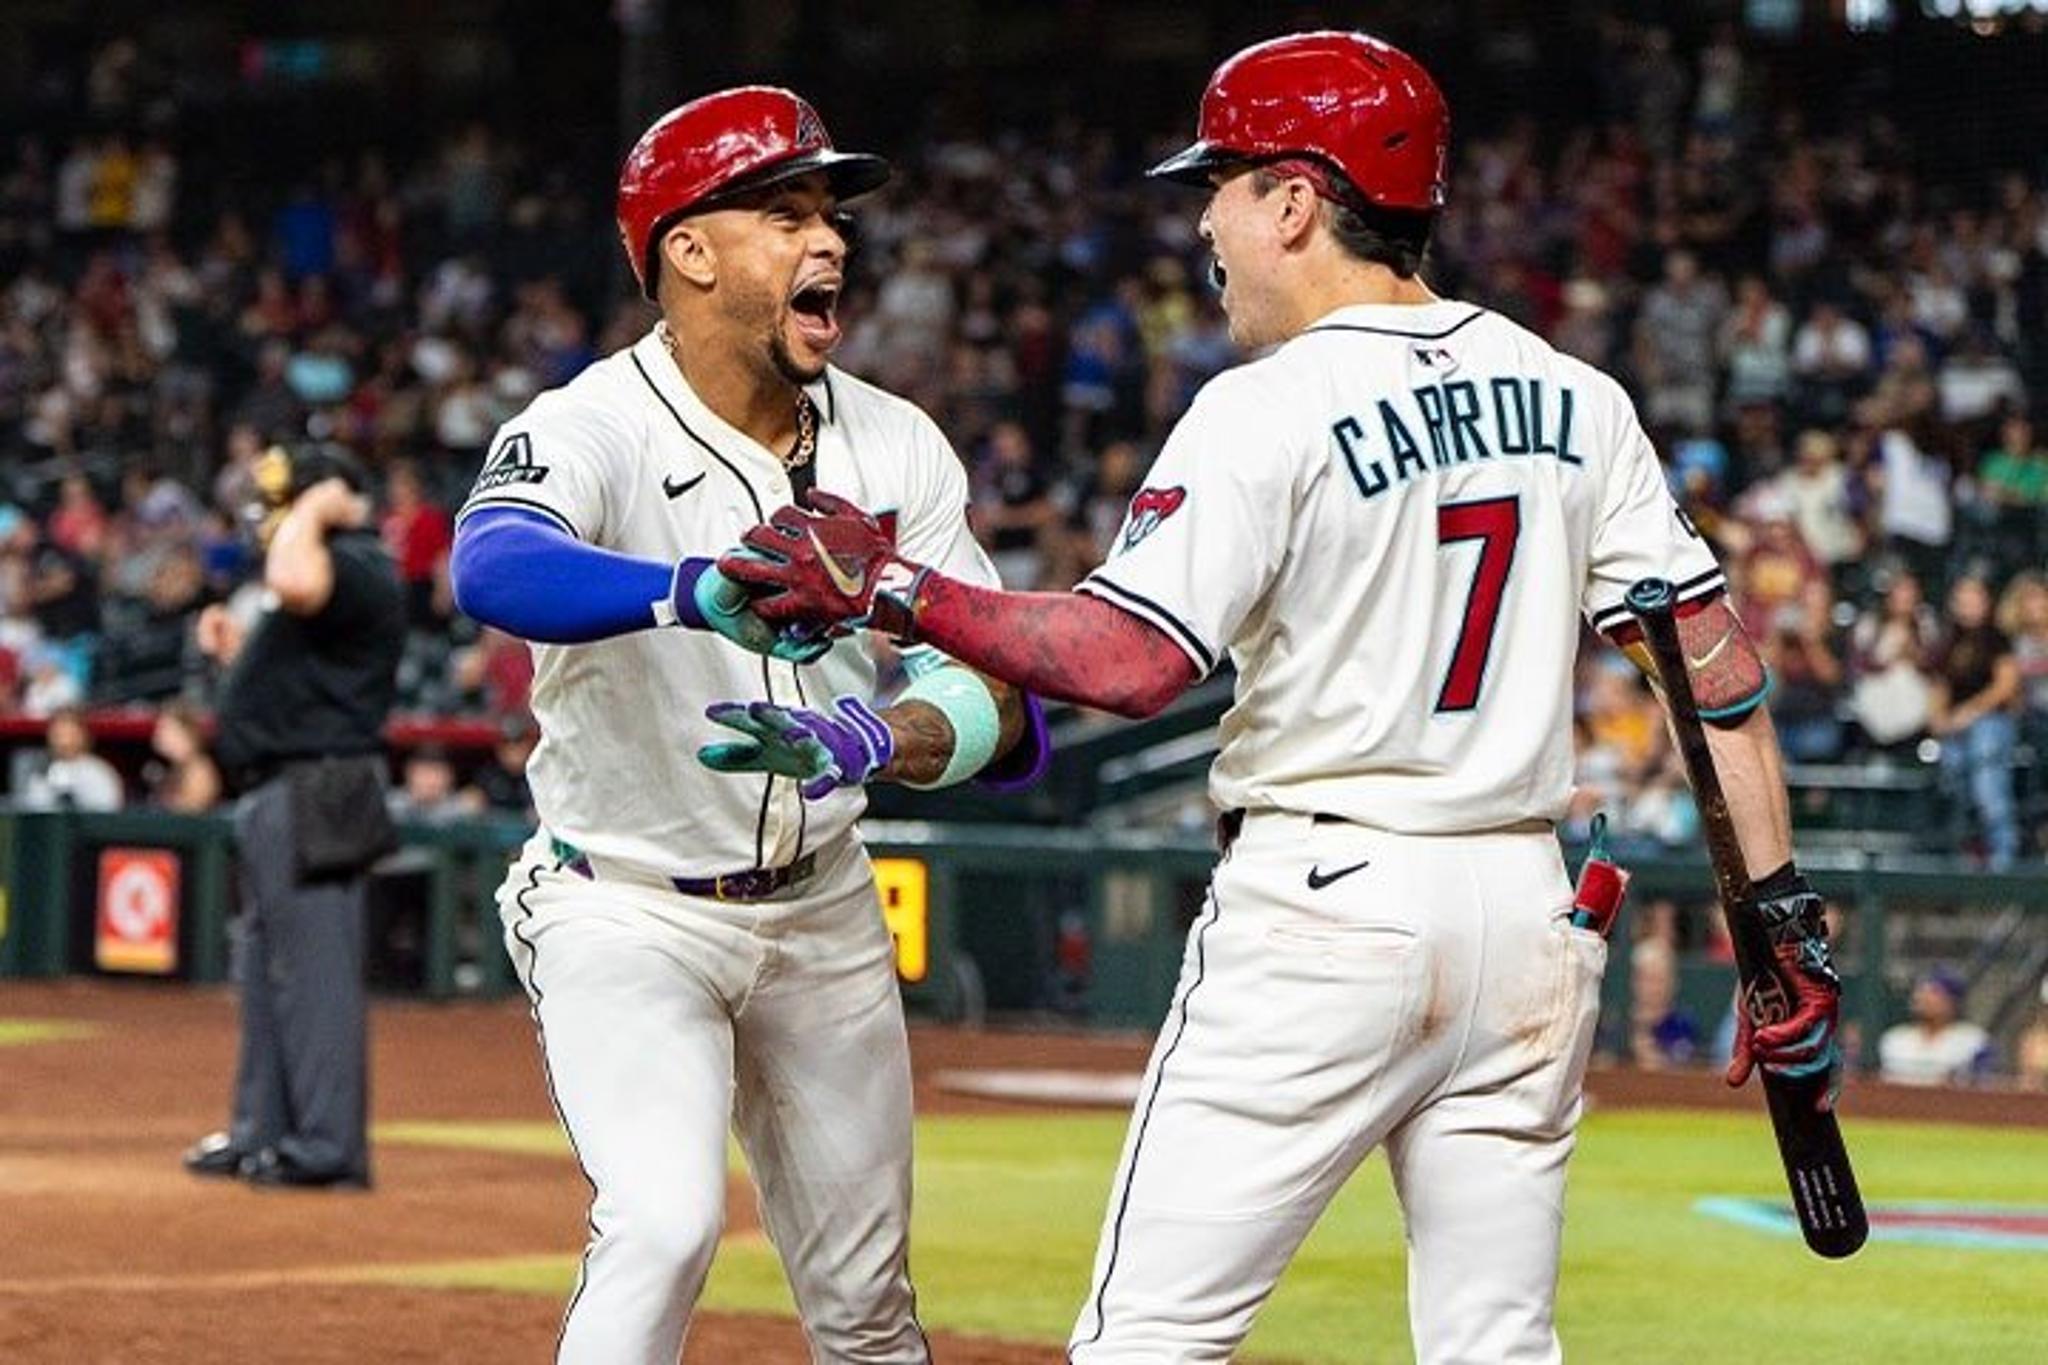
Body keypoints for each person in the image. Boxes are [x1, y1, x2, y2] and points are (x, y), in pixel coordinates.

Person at [717, 33, 1840, 1362]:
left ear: (1297, 201)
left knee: (1149, 1336)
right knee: (1496, 1343)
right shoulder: (1575, 396)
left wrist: (897, 588)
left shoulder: (1266, 406)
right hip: (1529, 913)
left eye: (1225, 186)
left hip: (1327, 905)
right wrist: (1778, 924)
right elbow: (1716, 678)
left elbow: (1129, 662)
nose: (1207, 222)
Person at [445, 87, 1044, 1365]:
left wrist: (879, 739)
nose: (828, 240)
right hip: (626, 904)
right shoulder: (588, 424)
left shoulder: (898, 441)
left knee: (866, 1304)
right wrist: (686, 589)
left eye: (829, 215)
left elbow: (995, 690)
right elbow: (492, 564)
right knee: (662, 1230)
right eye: (784, 214)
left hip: (824, 906)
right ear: (690, 250)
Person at [181, 444, 404, 1190]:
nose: (269, 517)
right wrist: (238, 658)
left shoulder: (357, 560)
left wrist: (318, 503)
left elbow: (296, 581)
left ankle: (326, 1147)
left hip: (319, 785)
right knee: (265, 970)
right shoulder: (332, 564)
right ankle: (263, 1132)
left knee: (314, 975)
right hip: (284, 786)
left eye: (285, 500)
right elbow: (307, 671)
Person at [1930, 574, 2021, 869]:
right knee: (1955, 791)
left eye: (1973, 598)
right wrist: (1939, 718)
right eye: (1962, 599)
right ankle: (1962, 863)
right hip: (1956, 729)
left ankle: (2003, 862)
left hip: (1991, 722)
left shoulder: (1997, 639)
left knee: (1988, 788)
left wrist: (1969, 713)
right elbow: (1941, 687)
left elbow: (2005, 686)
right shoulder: (1949, 642)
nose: (1967, 605)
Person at [1877, 970, 1992, 1086]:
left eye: (1934, 992)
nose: (1923, 997)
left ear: (1953, 1002)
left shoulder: (1973, 1040)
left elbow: (1982, 1083)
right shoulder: (1894, 1038)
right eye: (1920, 991)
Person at [19, 705, 125, 811]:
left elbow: (107, 813)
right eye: (58, 734)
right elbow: (33, 811)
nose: (63, 741)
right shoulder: (40, 773)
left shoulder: (99, 773)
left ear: (83, 736)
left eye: (69, 733)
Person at [146, 698, 222, 813]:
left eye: (169, 731)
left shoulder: (199, 772)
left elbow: (190, 814)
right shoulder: (177, 768)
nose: (160, 736)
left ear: (188, 734)